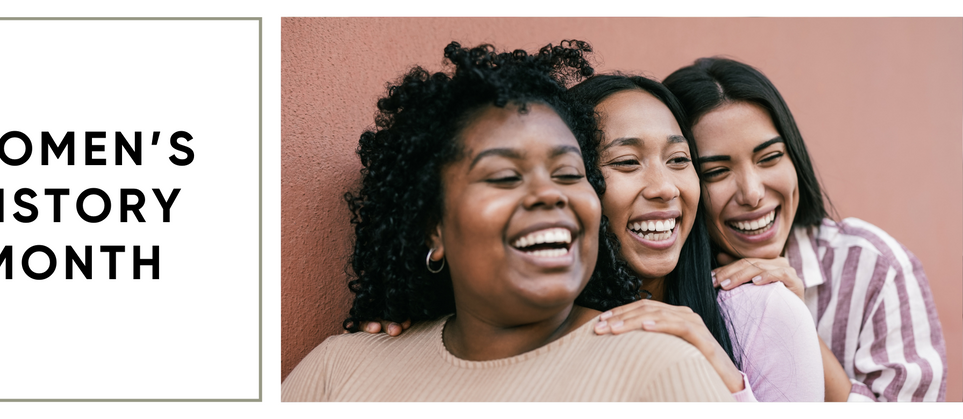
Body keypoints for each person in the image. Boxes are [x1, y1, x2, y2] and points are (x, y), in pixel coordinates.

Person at [281, 41, 733, 402]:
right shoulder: (337, 371)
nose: (550, 194)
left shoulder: (662, 368)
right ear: (432, 227)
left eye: (569, 174)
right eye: (504, 176)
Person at [663, 57, 948, 402]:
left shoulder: (873, 267)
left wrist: (797, 326)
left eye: (769, 158)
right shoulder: (663, 276)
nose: (752, 193)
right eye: (716, 172)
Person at [566, 74, 823, 402]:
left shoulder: (761, 310)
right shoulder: (540, 330)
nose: (665, 188)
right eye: (627, 162)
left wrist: (718, 370)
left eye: (678, 160)